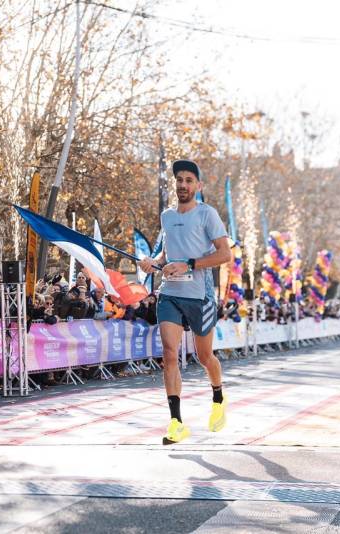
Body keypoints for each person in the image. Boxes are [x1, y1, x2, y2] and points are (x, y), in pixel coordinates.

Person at [138, 159, 232, 445]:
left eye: (189, 180)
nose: (183, 184)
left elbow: (225, 254)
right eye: (179, 179)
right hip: (170, 294)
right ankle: (176, 423)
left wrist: (189, 264)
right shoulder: (167, 216)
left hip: (199, 295)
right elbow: (168, 253)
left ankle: (218, 396)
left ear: (198, 186)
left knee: (205, 357)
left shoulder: (207, 214)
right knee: (169, 353)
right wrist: (152, 263)